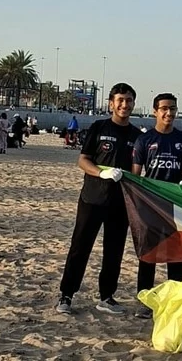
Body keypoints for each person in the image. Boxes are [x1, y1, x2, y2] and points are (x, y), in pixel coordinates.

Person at [57, 83, 139, 316]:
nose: (125, 105)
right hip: (92, 199)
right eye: (120, 100)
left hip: (121, 203)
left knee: (114, 251)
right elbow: (83, 160)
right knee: (80, 247)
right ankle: (66, 294)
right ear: (111, 103)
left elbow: (138, 171)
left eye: (129, 100)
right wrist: (101, 172)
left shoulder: (136, 136)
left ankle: (106, 296)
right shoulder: (99, 127)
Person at [130, 93, 182, 318]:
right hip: (150, 206)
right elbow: (136, 176)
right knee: (149, 254)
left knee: (176, 255)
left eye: (173, 109)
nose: (169, 113)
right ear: (155, 111)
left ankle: (173, 300)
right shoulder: (144, 141)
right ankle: (145, 301)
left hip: (176, 207)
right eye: (164, 108)